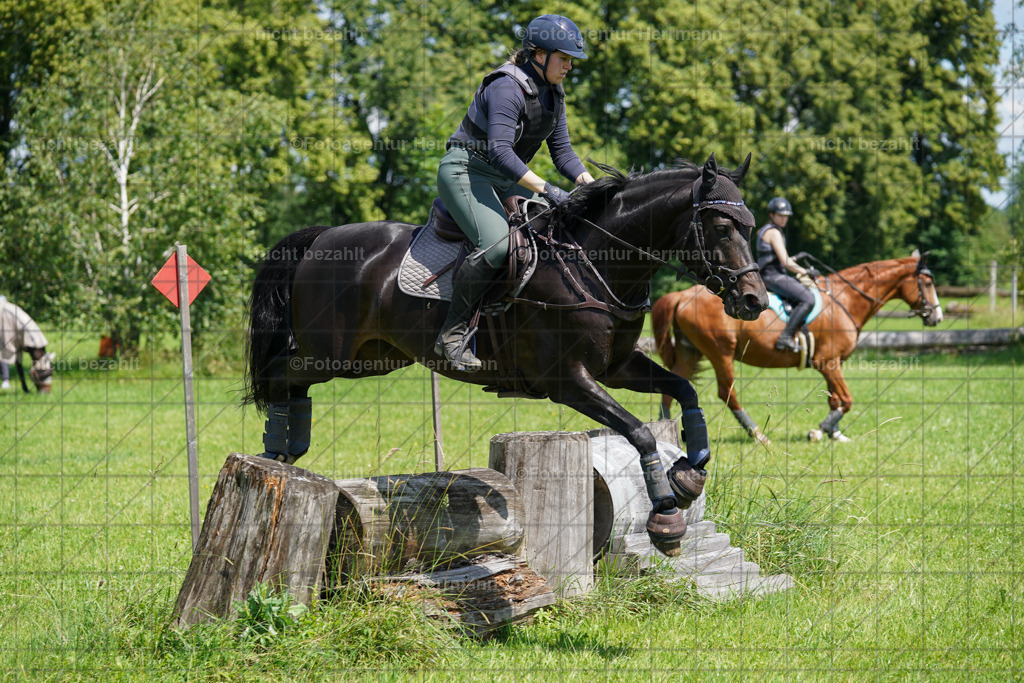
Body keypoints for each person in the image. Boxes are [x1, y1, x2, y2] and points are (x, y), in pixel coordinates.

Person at [434, 14, 595, 371]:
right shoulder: (507, 86)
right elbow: (500, 152)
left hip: (506, 177)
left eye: (571, 60)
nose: (569, 66)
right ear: (539, 55)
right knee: (497, 246)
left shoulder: (554, 92)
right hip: (467, 170)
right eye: (564, 58)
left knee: (553, 234)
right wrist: (548, 189)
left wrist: (593, 188)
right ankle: (452, 335)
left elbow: (563, 153)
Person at [755, 197, 820, 352]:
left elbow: (776, 258)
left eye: (786, 216)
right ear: (772, 214)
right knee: (808, 299)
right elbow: (785, 262)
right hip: (773, 276)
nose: (784, 219)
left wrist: (796, 257)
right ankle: (785, 337)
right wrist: (806, 271)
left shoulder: (765, 230)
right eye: (780, 215)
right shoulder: (773, 232)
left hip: (770, 275)